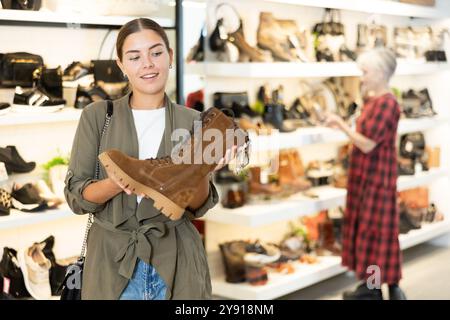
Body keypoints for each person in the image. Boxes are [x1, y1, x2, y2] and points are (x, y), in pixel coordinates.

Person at [64, 18, 236, 300]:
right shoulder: (97, 116)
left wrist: (200, 170)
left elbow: (197, 206)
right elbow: (76, 197)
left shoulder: (194, 122)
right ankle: (143, 171)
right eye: (134, 57)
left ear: (170, 56)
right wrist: (121, 181)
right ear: (121, 65)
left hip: (177, 264)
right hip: (111, 263)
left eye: (156, 53)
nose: (148, 63)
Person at [323, 47, 406, 300]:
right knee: (373, 233)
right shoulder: (374, 101)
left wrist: (341, 126)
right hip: (368, 177)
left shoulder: (387, 104)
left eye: (365, 72)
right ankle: (379, 286)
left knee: (374, 234)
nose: (362, 77)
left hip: (376, 179)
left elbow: (368, 143)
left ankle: (374, 288)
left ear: (381, 73)